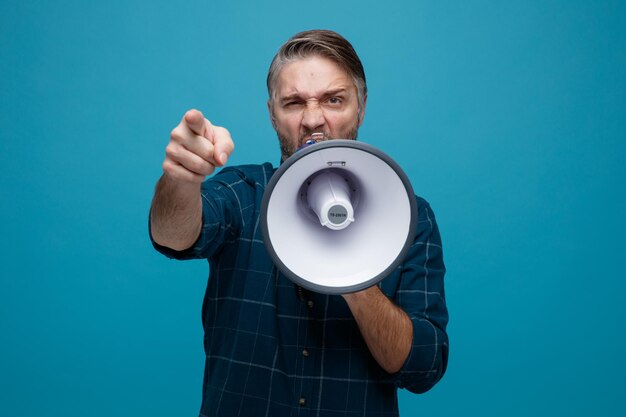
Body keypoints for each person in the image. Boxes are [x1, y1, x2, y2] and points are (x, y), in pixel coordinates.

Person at [149, 29, 448, 417]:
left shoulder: (411, 216)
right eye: (293, 103)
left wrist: (353, 270)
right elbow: (173, 236)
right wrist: (181, 179)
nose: (312, 120)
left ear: (362, 106)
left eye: (334, 100)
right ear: (273, 113)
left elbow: (422, 368)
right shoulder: (243, 193)